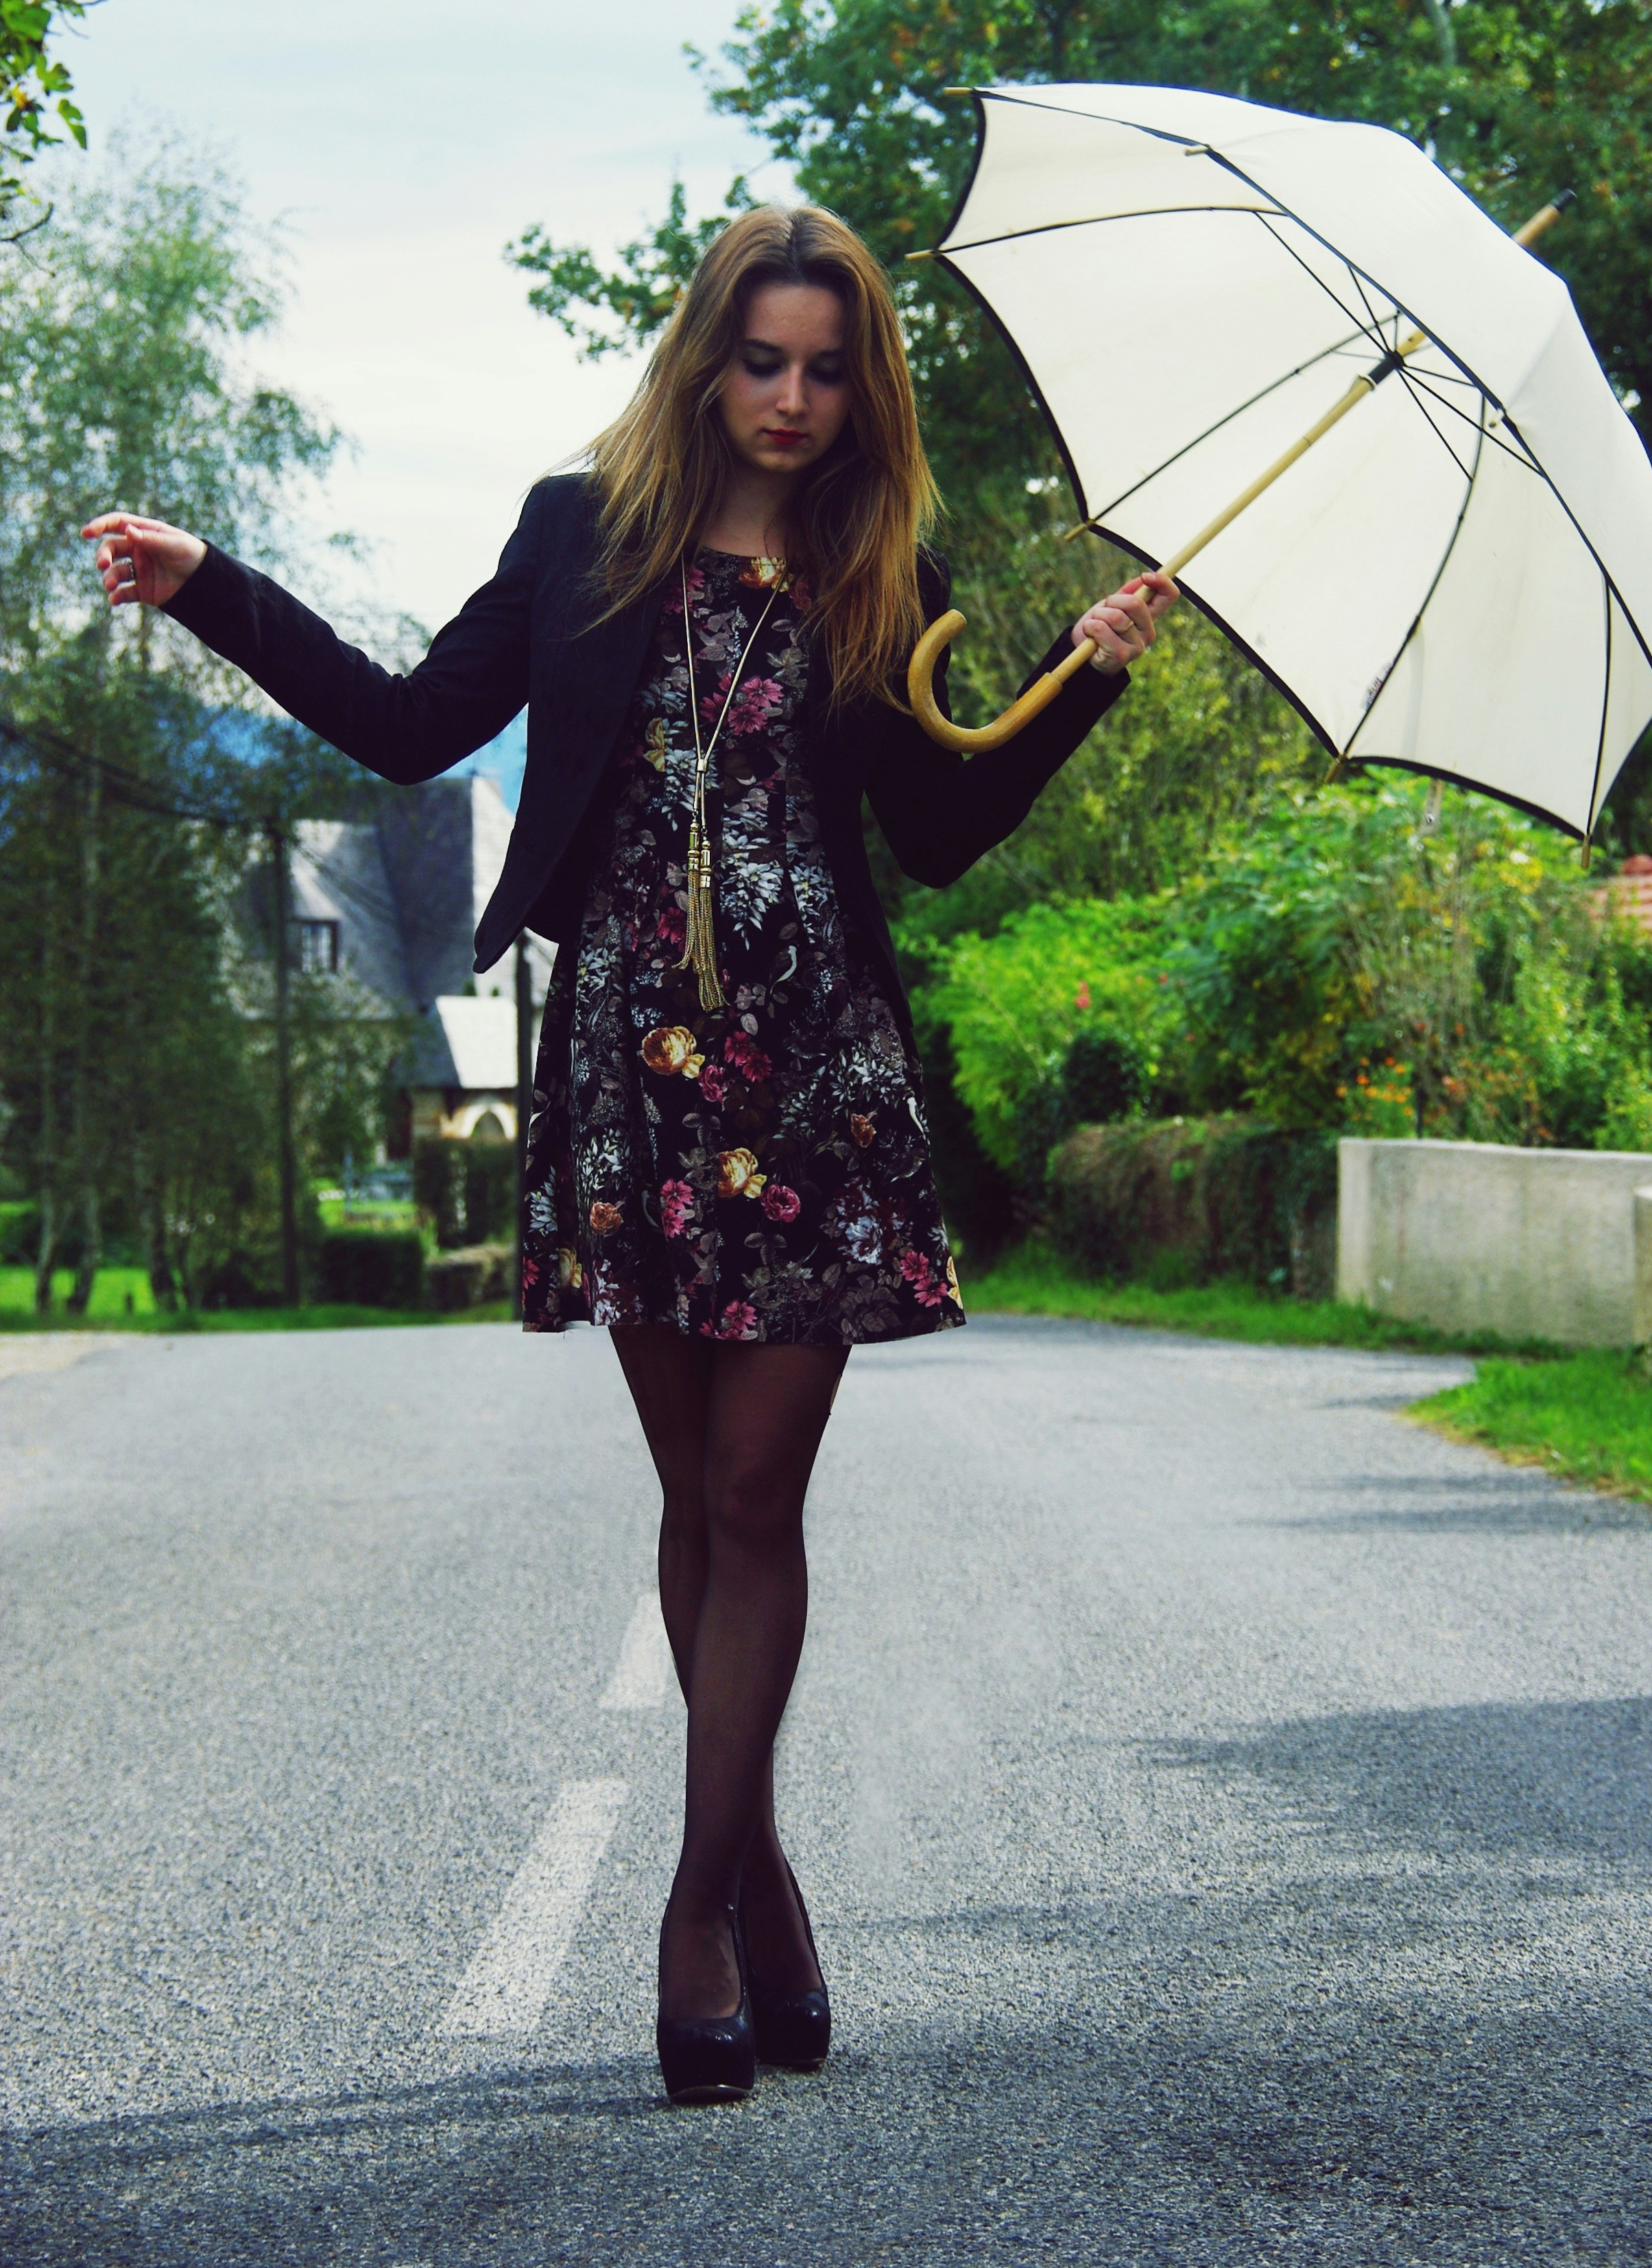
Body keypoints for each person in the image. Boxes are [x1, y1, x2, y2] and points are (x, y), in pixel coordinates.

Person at [84, 204, 1177, 2104]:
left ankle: (690, 1908)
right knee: (693, 1496)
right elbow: (412, 724)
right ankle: (768, 1886)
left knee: (758, 1499)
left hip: (814, 1071)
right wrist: (210, 586)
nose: (792, 397)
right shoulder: (580, 531)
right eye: (762, 358)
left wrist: (1083, 673)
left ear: (866, 384)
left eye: (829, 368)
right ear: (704, 354)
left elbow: (938, 829)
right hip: (631, 1070)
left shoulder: (885, 560)